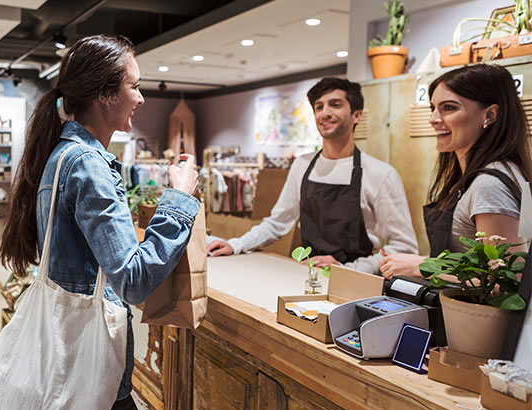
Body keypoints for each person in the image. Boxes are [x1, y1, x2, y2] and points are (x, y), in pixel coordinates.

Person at [0, 35, 199, 410]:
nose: (141, 99)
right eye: (135, 86)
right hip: (90, 370)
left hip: (66, 360)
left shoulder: (62, 155)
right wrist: (179, 198)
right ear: (107, 95)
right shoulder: (89, 167)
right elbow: (132, 279)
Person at [207, 78, 417, 274]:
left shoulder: (381, 174)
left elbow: (403, 248)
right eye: (319, 107)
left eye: (335, 104)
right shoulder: (302, 165)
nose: (324, 113)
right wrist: (236, 244)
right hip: (307, 276)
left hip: (356, 283)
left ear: (357, 115)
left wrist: (347, 269)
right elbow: (277, 223)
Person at [380, 64, 532, 278]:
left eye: (449, 108)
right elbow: (471, 262)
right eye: (433, 108)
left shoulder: (490, 185)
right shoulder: (484, 175)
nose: (433, 119)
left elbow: (508, 283)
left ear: (489, 115)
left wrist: (423, 266)